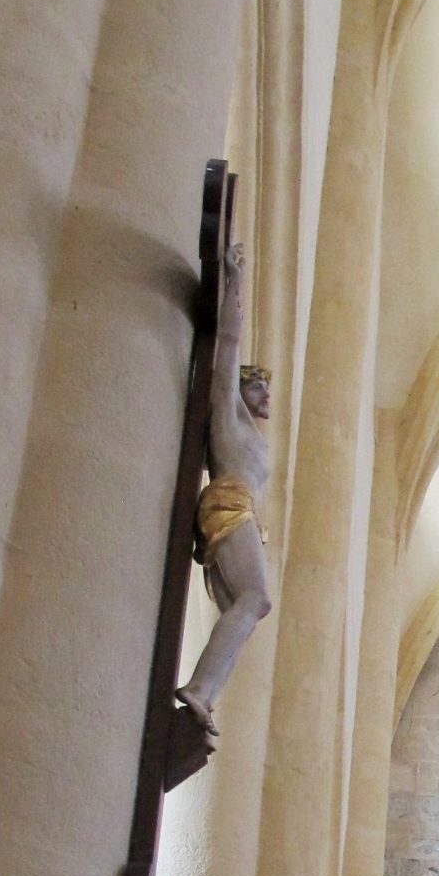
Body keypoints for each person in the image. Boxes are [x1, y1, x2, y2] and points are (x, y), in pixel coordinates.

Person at [175, 240, 272, 739]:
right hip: (229, 503)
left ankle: (205, 693)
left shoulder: (251, 434)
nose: (266, 392)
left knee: (249, 605)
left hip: (240, 509)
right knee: (255, 598)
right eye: (258, 384)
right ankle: (198, 689)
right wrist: (235, 279)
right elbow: (229, 341)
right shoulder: (229, 415)